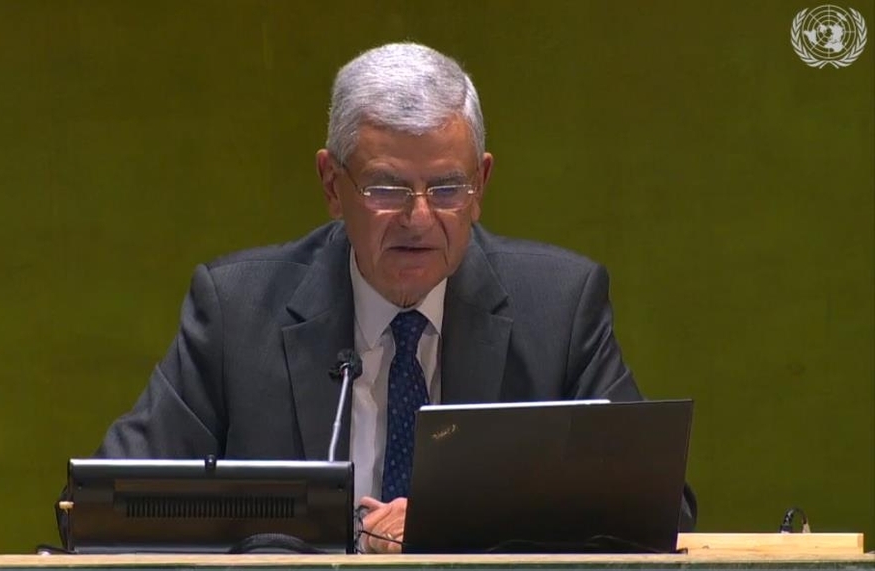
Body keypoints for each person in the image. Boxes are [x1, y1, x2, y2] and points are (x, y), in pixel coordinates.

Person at [85, 42, 696, 553]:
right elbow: (114, 506)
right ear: (332, 184)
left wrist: (452, 526)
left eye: (447, 188)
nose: (419, 218)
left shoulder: (559, 307)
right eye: (386, 187)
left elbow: (657, 514)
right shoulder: (237, 311)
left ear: (481, 183)